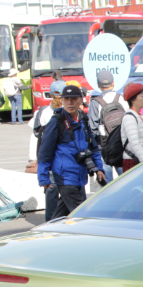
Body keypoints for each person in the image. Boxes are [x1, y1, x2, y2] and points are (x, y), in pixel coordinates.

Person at [37, 83, 106, 218]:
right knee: (82, 216)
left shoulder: (83, 120)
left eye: (74, 99)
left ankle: (49, 234)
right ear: (62, 101)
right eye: (67, 99)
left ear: (81, 100)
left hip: (80, 177)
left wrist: (99, 168)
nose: (70, 102)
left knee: (60, 217)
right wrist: (43, 178)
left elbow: (93, 148)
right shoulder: (56, 122)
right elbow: (44, 153)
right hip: (66, 177)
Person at [30, 80, 65, 221]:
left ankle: (50, 221)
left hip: (48, 158)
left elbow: (35, 136)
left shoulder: (42, 112)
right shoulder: (69, 111)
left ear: (50, 94)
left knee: (51, 192)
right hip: (64, 157)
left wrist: (32, 158)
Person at [87, 70, 125, 183]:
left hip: (104, 147)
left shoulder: (95, 102)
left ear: (98, 85)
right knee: (125, 180)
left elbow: (92, 128)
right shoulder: (121, 98)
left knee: (107, 185)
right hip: (121, 146)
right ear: (113, 83)